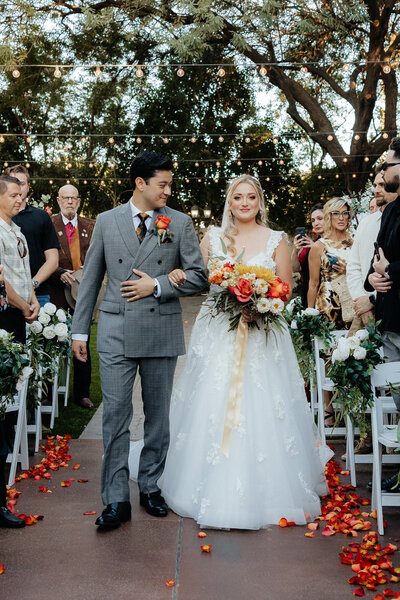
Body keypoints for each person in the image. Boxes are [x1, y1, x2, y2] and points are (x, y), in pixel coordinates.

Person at [130, 174, 333, 530]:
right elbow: (197, 277)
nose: (243, 203)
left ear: (259, 202)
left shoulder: (276, 240)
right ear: (229, 201)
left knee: (264, 403)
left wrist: (262, 301)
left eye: (250, 197)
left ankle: (271, 487)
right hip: (219, 333)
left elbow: (284, 289)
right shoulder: (213, 237)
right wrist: (177, 276)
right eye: (237, 197)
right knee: (214, 399)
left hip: (263, 332)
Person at [71, 151, 207, 530]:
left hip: (160, 329)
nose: (168, 190)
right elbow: (91, 279)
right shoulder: (107, 220)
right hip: (114, 330)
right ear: (140, 184)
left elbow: (199, 276)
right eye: (162, 184)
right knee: (115, 416)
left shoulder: (179, 222)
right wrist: (79, 331)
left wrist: (158, 284)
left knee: (158, 417)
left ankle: (150, 486)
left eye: (170, 184)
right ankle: (116, 499)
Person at [366, 137, 400, 493]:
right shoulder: (390, 211)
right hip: (389, 323)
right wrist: (373, 277)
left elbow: (393, 263)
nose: (385, 168)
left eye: (390, 162)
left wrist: (393, 269)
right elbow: (379, 257)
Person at [307, 197, 354, 426]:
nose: (342, 217)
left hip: (351, 304)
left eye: (345, 213)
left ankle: (350, 405)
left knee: (351, 352)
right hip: (327, 305)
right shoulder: (318, 246)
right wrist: (310, 314)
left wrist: (350, 270)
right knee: (327, 355)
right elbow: (313, 284)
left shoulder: (356, 243)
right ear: (329, 216)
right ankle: (327, 408)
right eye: (336, 213)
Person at [50, 184, 96, 410]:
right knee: (52, 342)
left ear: (79, 201)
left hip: (82, 295)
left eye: (73, 198)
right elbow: (42, 256)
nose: (69, 202)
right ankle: (48, 394)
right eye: (65, 198)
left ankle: (82, 393)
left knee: (83, 342)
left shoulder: (91, 225)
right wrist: (59, 272)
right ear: (58, 200)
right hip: (57, 293)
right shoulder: (49, 224)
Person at [5, 165, 60, 307]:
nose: (18, 188)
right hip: (5, 293)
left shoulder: (41, 217)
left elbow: (53, 259)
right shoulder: (3, 218)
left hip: (39, 293)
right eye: (13, 182)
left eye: (21, 184)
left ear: (28, 187)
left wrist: (33, 284)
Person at [291, 204, 324, 308]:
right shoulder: (309, 245)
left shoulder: (334, 244)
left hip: (325, 297)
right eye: (313, 220)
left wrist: (316, 248)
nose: (316, 223)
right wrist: (295, 251)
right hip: (308, 295)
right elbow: (295, 268)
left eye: (320, 219)